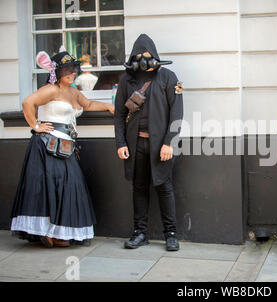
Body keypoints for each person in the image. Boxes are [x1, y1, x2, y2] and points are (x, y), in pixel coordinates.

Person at [10, 47, 114, 248]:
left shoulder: (73, 91)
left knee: (66, 187)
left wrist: (109, 107)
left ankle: (57, 233)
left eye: (73, 70)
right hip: (47, 145)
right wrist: (36, 126)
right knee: (49, 187)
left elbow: (89, 104)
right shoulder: (51, 90)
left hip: (65, 145)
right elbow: (27, 103)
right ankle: (47, 233)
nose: (71, 73)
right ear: (56, 72)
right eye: (67, 70)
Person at [114, 34, 183, 251]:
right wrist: (121, 143)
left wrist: (169, 143)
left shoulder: (168, 77)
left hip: (160, 145)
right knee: (139, 188)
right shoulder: (126, 80)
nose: (143, 58)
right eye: (139, 55)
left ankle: (171, 234)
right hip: (135, 145)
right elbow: (118, 114)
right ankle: (140, 233)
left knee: (164, 187)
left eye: (147, 54)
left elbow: (177, 113)